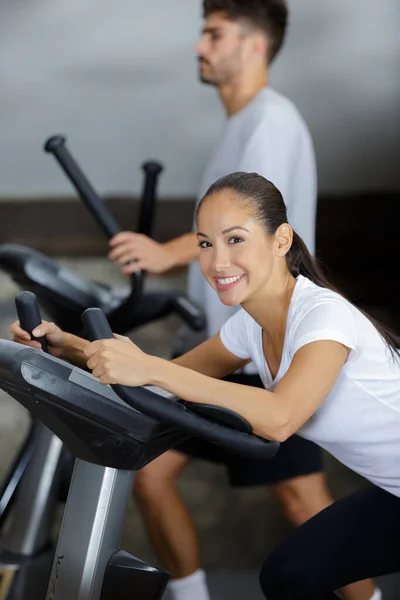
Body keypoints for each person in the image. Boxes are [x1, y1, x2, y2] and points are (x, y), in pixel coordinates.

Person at [11, 173, 398, 600]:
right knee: (290, 575)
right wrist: (67, 346)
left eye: (235, 240)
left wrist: (151, 370)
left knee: (295, 574)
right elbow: (168, 373)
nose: (217, 263)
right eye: (205, 244)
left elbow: (279, 417)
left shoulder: (324, 317)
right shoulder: (252, 326)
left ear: (281, 239)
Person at [106, 2, 380, 600]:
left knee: (300, 497)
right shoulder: (243, 126)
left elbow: (245, 224)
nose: (199, 47)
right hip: (244, 344)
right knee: (151, 473)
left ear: (254, 45)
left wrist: (164, 253)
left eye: (215, 33)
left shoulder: (270, 123)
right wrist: (70, 347)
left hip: (272, 364)